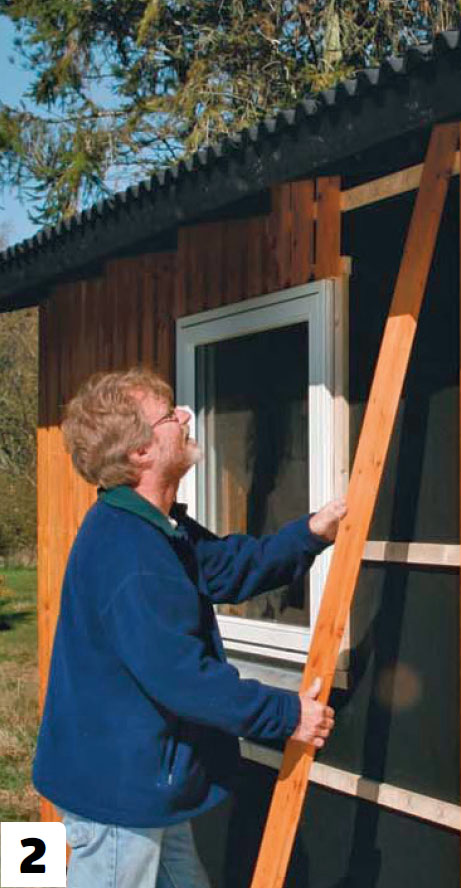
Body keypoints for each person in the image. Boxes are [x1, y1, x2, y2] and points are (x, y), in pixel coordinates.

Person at [33, 368, 341, 888]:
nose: (184, 416)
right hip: (118, 797)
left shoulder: (157, 529)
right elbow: (185, 679)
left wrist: (310, 535)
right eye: (169, 415)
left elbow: (226, 566)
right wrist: (287, 714)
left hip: (149, 779)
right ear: (140, 453)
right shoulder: (130, 553)